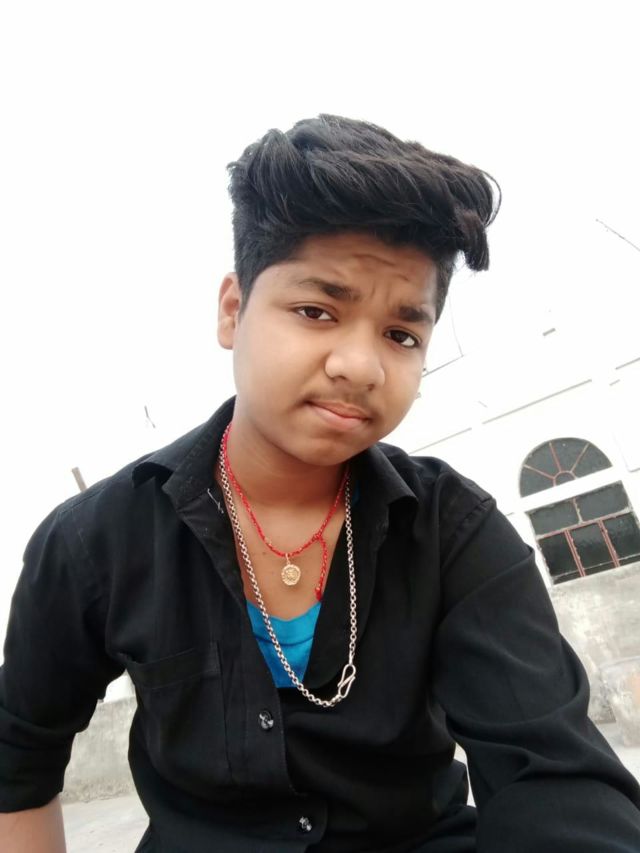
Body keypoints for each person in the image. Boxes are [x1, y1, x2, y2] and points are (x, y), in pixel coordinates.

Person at [1, 114, 639, 853]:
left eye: (401, 335)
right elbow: (18, 763)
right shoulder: (96, 540)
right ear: (233, 310)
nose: (360, 366)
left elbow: (553, 776)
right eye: (316, 311)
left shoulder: (453, 530)